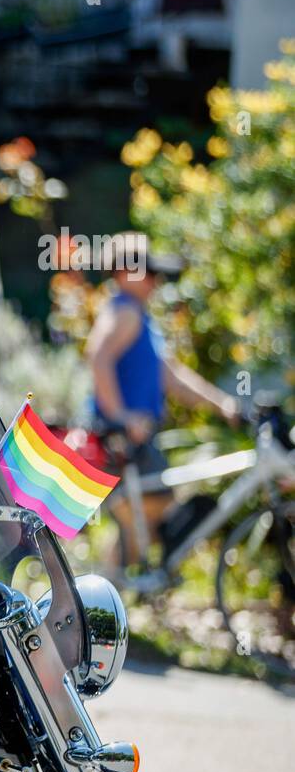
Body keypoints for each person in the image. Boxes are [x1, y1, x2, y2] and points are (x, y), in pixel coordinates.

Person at [84, 231, 238, 562]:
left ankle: (111, 594)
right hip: (125, 442)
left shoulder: (140, 317)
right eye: (149, 272)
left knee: (142, 526)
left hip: (137, 440)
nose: (156, 280)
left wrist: (223, 405)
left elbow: (173, 377)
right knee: (153, 513)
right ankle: (102, 597)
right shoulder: (124, 312)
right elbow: (97, 355)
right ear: (126, 273)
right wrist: (121, 417)